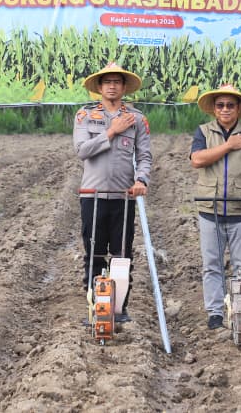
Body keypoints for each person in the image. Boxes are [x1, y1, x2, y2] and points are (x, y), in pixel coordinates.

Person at [73, 62, 152, 323]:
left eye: (117, 82)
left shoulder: (137, 118)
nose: (112, 86)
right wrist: (112, 130)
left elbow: (145, 156)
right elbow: (83, 150)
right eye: (107, 82)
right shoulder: (85, 116)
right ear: (99, 86)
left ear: (124, 87)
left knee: (122, 255)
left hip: (123, 196)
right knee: (94, 254)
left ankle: (119, 309)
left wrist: (141, 179)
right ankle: (95, 307)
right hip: (92, 196)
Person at [190, 84, 241, 330]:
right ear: (214, 109)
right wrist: (228, 145)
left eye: (230, 105)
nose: (225, 109)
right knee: (212, 264)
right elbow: (197, 160)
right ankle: (215, 313)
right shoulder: (203, 132)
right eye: (220, 105)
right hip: (210, 209)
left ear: (238, 109)